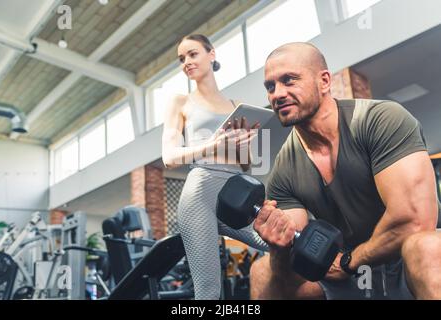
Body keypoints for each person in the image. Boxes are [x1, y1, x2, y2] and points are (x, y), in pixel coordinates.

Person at [249, 42, 441, 299]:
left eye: (289, 80)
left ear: (324, 81)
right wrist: (279, 248)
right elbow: (292, 270)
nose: (277, 94)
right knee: (262, 272)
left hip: (402, 261)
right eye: (270, 87)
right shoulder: (284, 170)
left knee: (426, 246)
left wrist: (350, 261)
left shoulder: (380, 120)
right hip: (345, 274)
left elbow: (416, 221)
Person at [161, 34, 268, 300]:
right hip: (200, 193)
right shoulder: (181, 102)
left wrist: (246, 144)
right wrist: (211, 146)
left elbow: (248, 163)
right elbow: (169, 157)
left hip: (235, 192)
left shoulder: (236, 106)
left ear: (211, 54)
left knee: (276, 244)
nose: (186, 62)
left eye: (193, 54)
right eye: (181, 58)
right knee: (209, 291)